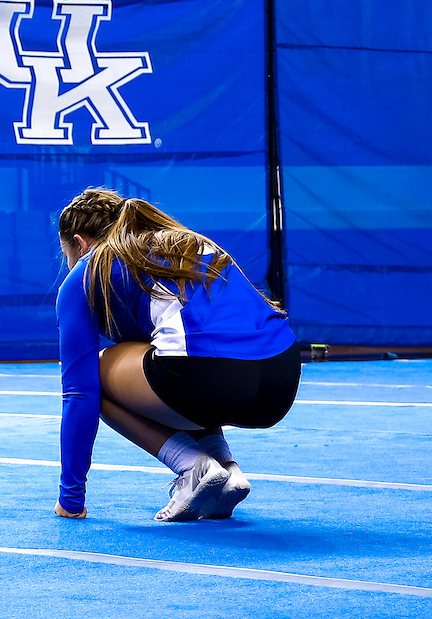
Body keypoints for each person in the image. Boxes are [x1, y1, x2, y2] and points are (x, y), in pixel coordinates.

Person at [54, 187, 300, 522]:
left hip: (209, 377)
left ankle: (192, 467)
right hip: (282, 377)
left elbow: (79, 392)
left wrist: (71, 499)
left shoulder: (88, 270)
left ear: (80, 243)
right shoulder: (182, 243)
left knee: (97, 373)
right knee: (186, 347)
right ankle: (225, 471)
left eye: (67, 255)